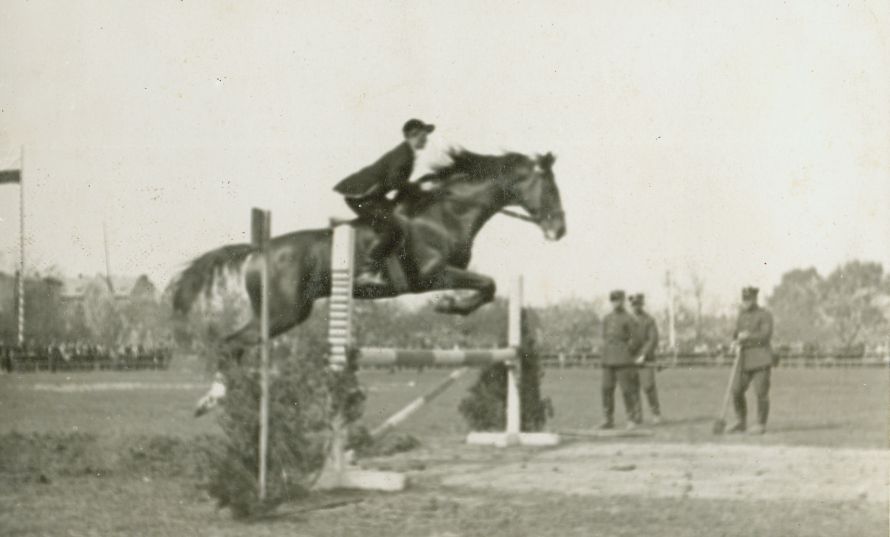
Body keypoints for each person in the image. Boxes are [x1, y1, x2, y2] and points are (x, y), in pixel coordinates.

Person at [334, 118, 436, 287]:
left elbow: (396, 184)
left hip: (372, 196)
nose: (427, 139)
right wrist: (420, 187)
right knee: (393, 229)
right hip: (361, 196)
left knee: (400, 219)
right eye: (424, 135)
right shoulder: (404, 154)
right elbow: (395, 181)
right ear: (414, 134)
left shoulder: (407, 153)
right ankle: (367, 272)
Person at [729, 286, 775, 435]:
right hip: (744, 360)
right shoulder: (741, 316)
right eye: (744, 299)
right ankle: (741, 421)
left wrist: (748, 336)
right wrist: (734, 342)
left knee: (761, 392)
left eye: (749, 299)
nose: (746, 302)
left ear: (755, 299)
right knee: (736, 390)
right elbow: (736, 334)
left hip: (761, 359)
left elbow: (765, 336)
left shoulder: (764, 315)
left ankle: (761, 424)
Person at [600, 290, 642, 429]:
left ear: (623, 301)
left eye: (618, 300)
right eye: (613, 300)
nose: (615, 303)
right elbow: (605, 336)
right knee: (606, 389)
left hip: (623, 360)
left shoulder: (629, 318)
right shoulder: (607, 318)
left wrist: (627, 351)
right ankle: (608, 419)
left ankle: (631, 419)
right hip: (608, 359)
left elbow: (636, 339)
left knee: (627, 390)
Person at [630, 293, 662, 424]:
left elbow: (653, 339)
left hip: (646, 359)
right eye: (633, 304)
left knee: (648, 386)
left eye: (638, 304)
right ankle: (637, 416)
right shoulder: (627, 320)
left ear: (642, 305)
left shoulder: (649, 320)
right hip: (630, 359)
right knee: (632, 388)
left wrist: (643, 355)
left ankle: (655, 413)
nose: (635, 307)